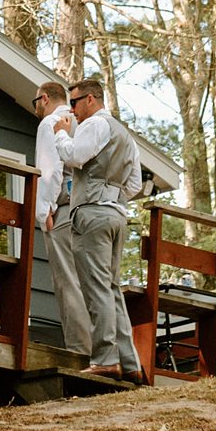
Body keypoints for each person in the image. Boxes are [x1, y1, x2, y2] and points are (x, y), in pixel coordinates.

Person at [60, 77, 145, 381]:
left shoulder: (94, 125)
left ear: (91, 100)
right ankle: (130, 363)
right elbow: (134, 184)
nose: (72, 111)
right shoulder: (126, 136)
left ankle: (106, 359)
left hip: (92, 214)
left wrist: (61, 136)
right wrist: (112, 194)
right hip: (117, 215)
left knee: (97, 289)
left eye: (74, 102)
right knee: (111, 289)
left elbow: (73, 156)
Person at [29, 81, 91, 359]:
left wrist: (44, 213)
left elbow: (50, 170)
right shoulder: (82, 122)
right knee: (90, 281)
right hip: (89, 210)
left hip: (63, 210)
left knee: (67, 282)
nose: (36, 110)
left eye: (35, 104)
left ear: (44, 99)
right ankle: (104, 350)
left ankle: (80, 350)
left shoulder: (50, 123)